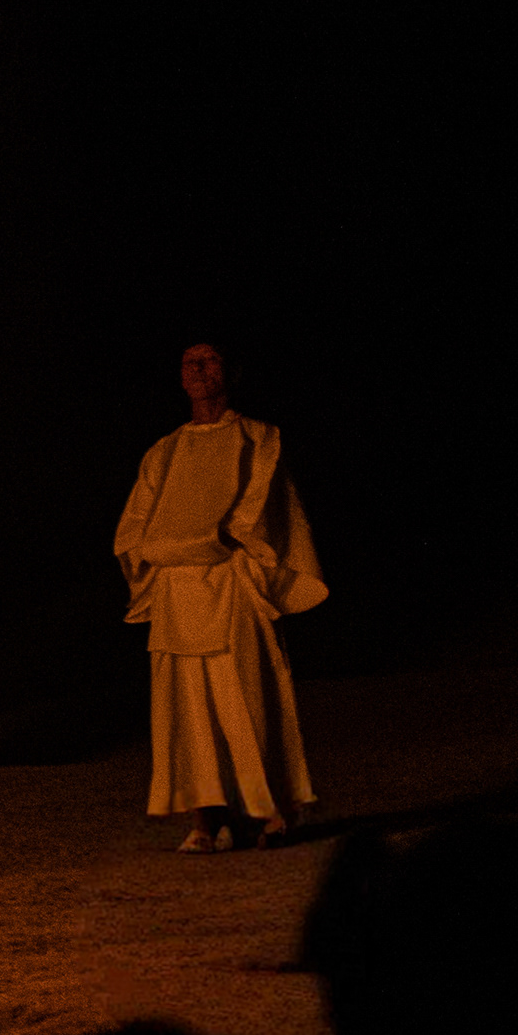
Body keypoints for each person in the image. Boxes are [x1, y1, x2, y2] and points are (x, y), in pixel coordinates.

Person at [115, 340, 326, 852]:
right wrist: (170, 548)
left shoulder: (259, 438)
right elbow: (134, 530)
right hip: (176, 596)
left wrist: (203, 541)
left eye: (209, 360)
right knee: (188, 710)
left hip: (232, 585)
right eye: (189, 361)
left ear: (230, 370)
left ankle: (266, 813)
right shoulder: (163, 452)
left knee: (245, 699)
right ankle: (206, 819)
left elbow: (250, 514)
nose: (198, 369)